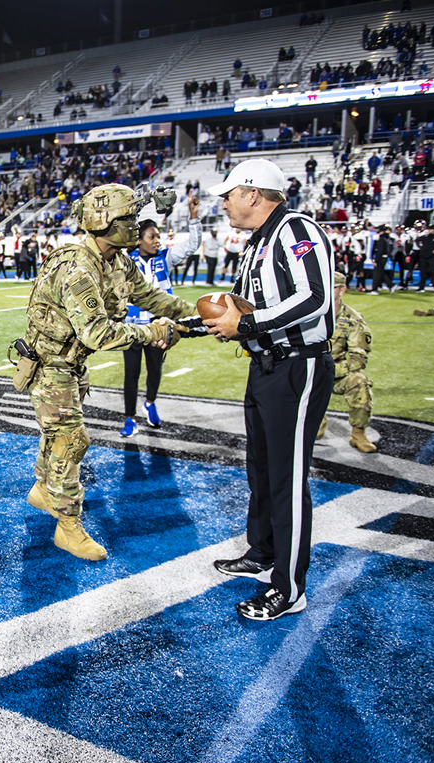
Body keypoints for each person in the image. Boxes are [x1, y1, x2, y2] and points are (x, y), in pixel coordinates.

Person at [20, 185, 194, 562]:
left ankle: (43, 488)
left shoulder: (118, 260)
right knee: (71, 439)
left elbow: (150, 297)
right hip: (51, 364)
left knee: (58, 434)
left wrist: (196, 315)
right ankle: (68, 526)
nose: (134, 225)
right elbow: (97, 332)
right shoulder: (78, 267)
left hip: (71, 362)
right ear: (103, 223)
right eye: (127, 219)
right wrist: (154, 332)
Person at [202, 158, 335, 621]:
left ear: (253, 194)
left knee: (286, 478)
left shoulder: (296, 229)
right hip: (265, 365)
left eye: (230, 193)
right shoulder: (257, 242)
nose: (224, 201)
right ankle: (263, 551)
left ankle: (290, 587)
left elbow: (315, 296)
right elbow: (242, 309)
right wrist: (198, 325)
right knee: (260, 467)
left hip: (298, 368)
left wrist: (249, 322)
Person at [122, 193, 201, 437]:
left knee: (155, 370)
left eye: (157, 236)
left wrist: (194, 216)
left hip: (160, 326)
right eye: (152, 237)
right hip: (133, 327)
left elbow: (191, 245)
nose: (157, 241)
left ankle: (150, 403)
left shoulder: (165, 258)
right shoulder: (125, 262)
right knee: (131, 375)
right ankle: (129, 418)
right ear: (139, 240)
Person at [318, 272, 378, 453]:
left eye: (332, 287)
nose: (326, 290)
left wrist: (331, 372)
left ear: (342, 290)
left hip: (336, 371)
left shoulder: (352, 319)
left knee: (359, 381)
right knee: (316, 433)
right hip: (309, 370)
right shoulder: (309, 313)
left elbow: (358, 357)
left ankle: (358, 434)